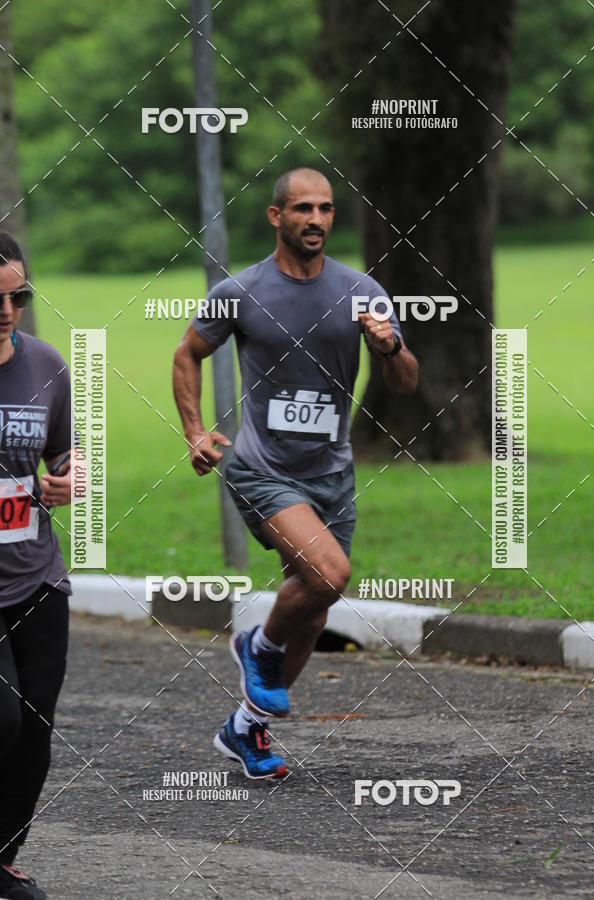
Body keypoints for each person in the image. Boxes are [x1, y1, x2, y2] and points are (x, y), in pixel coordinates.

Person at [173, 168, 418, 780]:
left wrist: (388, 345)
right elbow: (188, 354)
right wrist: (195, 431)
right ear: (275, 216)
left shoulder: (362, 290)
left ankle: (245, 731)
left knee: (313, 603)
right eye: (303, 208)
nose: (316, 219)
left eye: (327, 209)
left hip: (331, 473)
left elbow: (407, 383)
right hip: (261, 467)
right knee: (331, 572)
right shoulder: (242, 290)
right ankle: (256, 647)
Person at [0, 234, 73, 899]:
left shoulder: (47, 365)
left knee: (36, 725)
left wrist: (65, 480)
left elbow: (65, 460)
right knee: (3, 719)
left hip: (36, 577)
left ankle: (1, 859)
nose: (5, 309)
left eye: (16, 296)